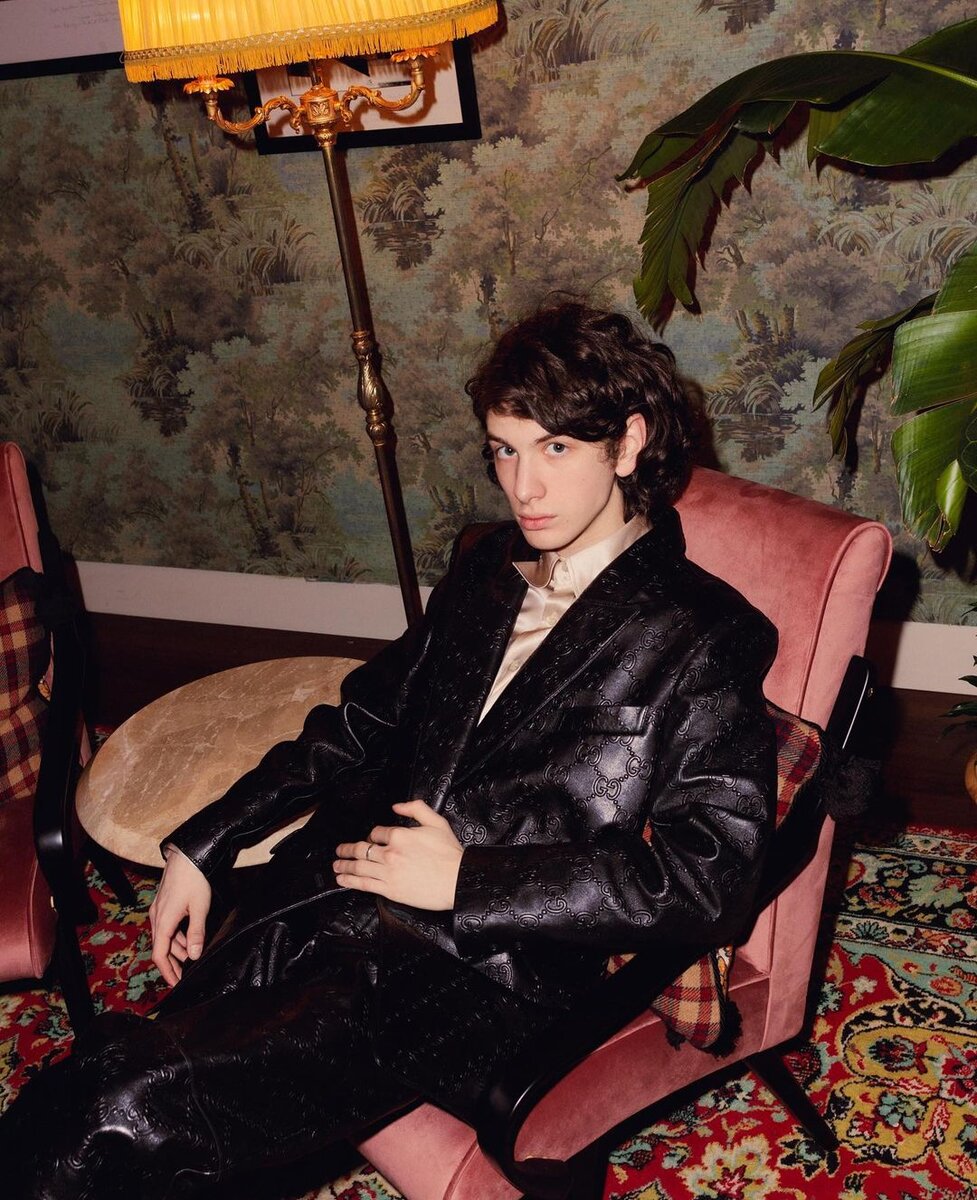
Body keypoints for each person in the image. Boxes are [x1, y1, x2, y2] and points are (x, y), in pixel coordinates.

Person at [1, 302, 777, 1198]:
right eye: (503, 450)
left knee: (121, 1106)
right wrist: (205, 843)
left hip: (477, 971)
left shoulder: (702, 632)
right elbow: (362, 719)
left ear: (628, 443)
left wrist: (468, 881)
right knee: (131, 1082)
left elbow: (710, 876)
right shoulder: (490, 566)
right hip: (330, 886)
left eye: (555, 448)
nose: (523, 486)